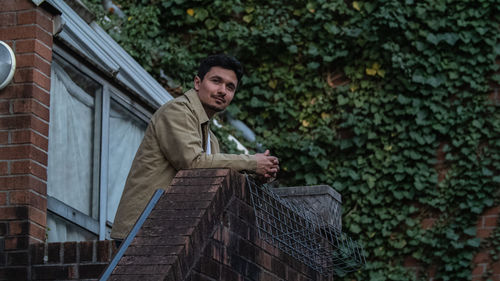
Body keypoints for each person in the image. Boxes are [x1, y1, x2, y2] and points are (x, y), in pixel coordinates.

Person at [110, 54, 279, 241]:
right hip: (142, 229)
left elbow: (213, 176)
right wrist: (251, 162)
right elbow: (192, 163)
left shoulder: (210, 137)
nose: (222, 90)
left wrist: (258, 175)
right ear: (197, 83)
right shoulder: (177, 111)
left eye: (230, 87)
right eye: (216, 81)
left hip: (171, 229)